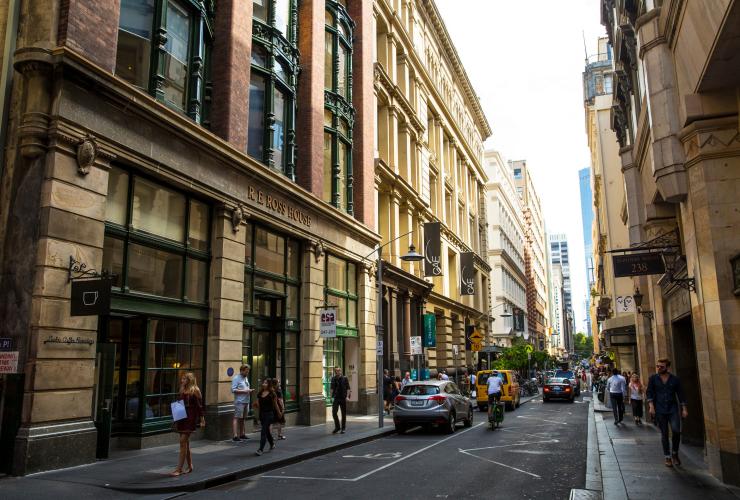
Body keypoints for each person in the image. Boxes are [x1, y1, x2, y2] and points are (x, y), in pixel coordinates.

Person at [646, 358, 688, 467]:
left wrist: (684, 408)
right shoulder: (653, 379)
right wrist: (651, 407)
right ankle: (667, 457)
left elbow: (681, 394)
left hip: (672, 408)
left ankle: (675, 453)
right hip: (659, 409)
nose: (659, 368)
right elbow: (649, 392)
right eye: (658, 366)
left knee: (676, 431)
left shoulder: (675, 379)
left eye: (661, 367)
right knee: (664, 434)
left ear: (667, 367)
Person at [170, 372, 204, 476]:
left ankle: (179, 469)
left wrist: (202, 419)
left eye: (184, 379)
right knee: (185, 443)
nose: (182, 381)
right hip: (181, 417)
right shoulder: (182, 389)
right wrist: (175, 419)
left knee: (182, 442)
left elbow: (199, 407)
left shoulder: (195, 390)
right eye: (182, 379)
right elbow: (179, 404)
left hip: (190, 417)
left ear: (189, 380)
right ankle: (189, 466)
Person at [254, 379, 278, 456]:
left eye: (265, 383)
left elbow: (275, 405)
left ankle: (260, 449)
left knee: (263, 431)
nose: (263, 384)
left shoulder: (272, 394)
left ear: (269, 384)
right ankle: (272, 443)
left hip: (269, 414)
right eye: (263, 383)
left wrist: (280, 412)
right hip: (262, 414)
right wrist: (256, 405)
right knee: (267, 431)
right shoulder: (260, 393)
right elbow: (258, 405)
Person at [231, 364, 253, 442]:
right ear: (242, 370)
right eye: (246, 372)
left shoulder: (245, 378)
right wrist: (245, 391)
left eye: (248, 372)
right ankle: (235, 436)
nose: (247, 373)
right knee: (236, 417)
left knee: (243, 418)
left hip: (246, 401)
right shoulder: (236, 378)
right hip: (239, 401)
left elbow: (245, 387)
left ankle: (242, 434)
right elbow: (233, 390)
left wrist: (249, 390)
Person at [331, 366, 351, 434]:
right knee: (334, 413)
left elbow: (348, 388)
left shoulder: (345, 378)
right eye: (336, 371)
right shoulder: (333, 379)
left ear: (340, 371)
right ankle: (337, 427)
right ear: (335, 371)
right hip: (336, 398)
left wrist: (347, 397)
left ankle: (343, 428)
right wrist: (331, 397)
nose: (337, 372)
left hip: (343, 398)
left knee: (343, 414)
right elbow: (332, 389)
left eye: (338, 370)